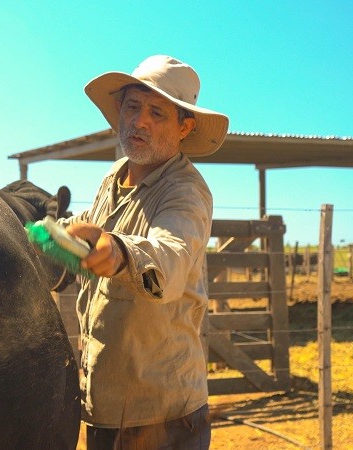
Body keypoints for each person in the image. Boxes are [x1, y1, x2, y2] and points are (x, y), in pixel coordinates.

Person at [60, 55, 229, 449]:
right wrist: (55, 236)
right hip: (104, 404)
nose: (140, 122)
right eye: (133, 107)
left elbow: (169, 254)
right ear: (120, 110)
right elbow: (89, 224)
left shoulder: (186, 191)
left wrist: (118, 251)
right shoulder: (112, 178)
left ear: (185, 126)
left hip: (163, 417)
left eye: (157, 113)